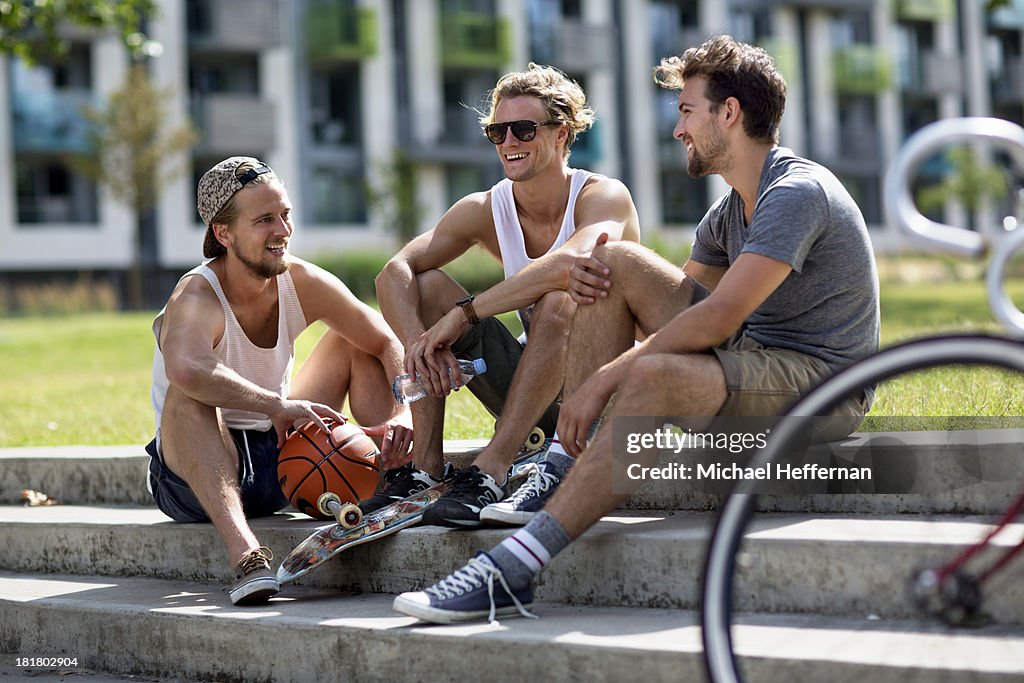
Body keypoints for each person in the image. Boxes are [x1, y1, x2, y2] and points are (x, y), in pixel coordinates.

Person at [392, 35, 880, 624]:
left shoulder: (795, 192)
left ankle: (512, 569)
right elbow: (655, 302)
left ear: (729, 114)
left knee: (651, 369)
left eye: (686, 111)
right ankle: (560, 464)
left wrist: (604, 380)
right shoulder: (726, 214)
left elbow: (718, 316)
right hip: (756, 361)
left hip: (820, 388)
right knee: (611, 265)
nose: (678, 130)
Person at [369, 63, 640, 528]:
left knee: (561, 299)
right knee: (429, 286)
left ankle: (490, 470)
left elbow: (570, 264)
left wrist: (465, 315)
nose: (509, 142)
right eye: (498, 132)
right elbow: (394, 273)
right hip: (537, 397)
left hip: (606, 400)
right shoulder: (484, 209)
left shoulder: (602, 196)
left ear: (562, 134)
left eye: (523, 129)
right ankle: (426, 471)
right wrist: (419, 345)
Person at [147, 156, 413, 606]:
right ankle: (247, 556)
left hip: (281, 454)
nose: (283, 230)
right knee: (186, 392)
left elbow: (386, 340)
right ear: (223, 234)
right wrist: (276, 405)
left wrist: (404, 405)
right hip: (194, 474)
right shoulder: (196, 295)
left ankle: (395, 478)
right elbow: (188, 369)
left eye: (285, 215)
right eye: (265, 219)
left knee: (356, 343)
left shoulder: (300, 279)